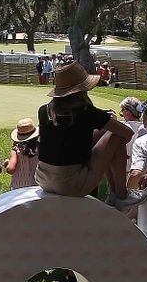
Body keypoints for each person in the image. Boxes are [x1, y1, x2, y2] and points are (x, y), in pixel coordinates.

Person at [35, 62, 131, 199]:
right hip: (70, 184)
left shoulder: (44, 110)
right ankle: (121, 195)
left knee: (104, 133)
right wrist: (114, 151)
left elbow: (68, 135)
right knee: (116, 136)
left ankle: (115, 194)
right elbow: (127, 133)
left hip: (42, 179)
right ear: (82, 89)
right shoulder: (87, 113)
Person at [6, 118, 40, 192]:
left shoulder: (16, 149)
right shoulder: (41, 148)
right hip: (37, 187)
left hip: (19, 188)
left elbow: (11, 169)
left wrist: (7, 164)